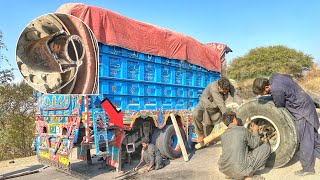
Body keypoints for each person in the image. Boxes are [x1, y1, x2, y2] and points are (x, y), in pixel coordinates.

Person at [253, 73, 320, 176]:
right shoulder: (274, 77)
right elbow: (289, 77)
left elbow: (279, 105)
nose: (264, 95)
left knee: (305, 141)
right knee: (313, 137)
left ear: (266, 87)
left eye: (263, 93)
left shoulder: (276, 89)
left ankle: (308, 169)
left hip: (302, 112)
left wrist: (273, 97)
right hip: (305, 103)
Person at [218, 111, 271, 180]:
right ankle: (247, 177)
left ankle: (232, 175)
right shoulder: (242, 130)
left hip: (224, 168)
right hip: (239, 169)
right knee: (266, 147)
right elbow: (254, 144)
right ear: (234, 119)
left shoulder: (223, 135)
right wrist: (255, 131)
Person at [192, 77, 242, 142]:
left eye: (226, 90)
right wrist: (227, 116)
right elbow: (220, 103)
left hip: (216, 107)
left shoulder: (229, 85)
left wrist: (242, 106)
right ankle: (200, 134)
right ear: (219, 86)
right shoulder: (213, 87)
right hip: (205, 104)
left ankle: (207, 138)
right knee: (195, 114)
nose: (225, 92)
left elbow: (236, 96)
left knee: (210, 125)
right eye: (223, 90)